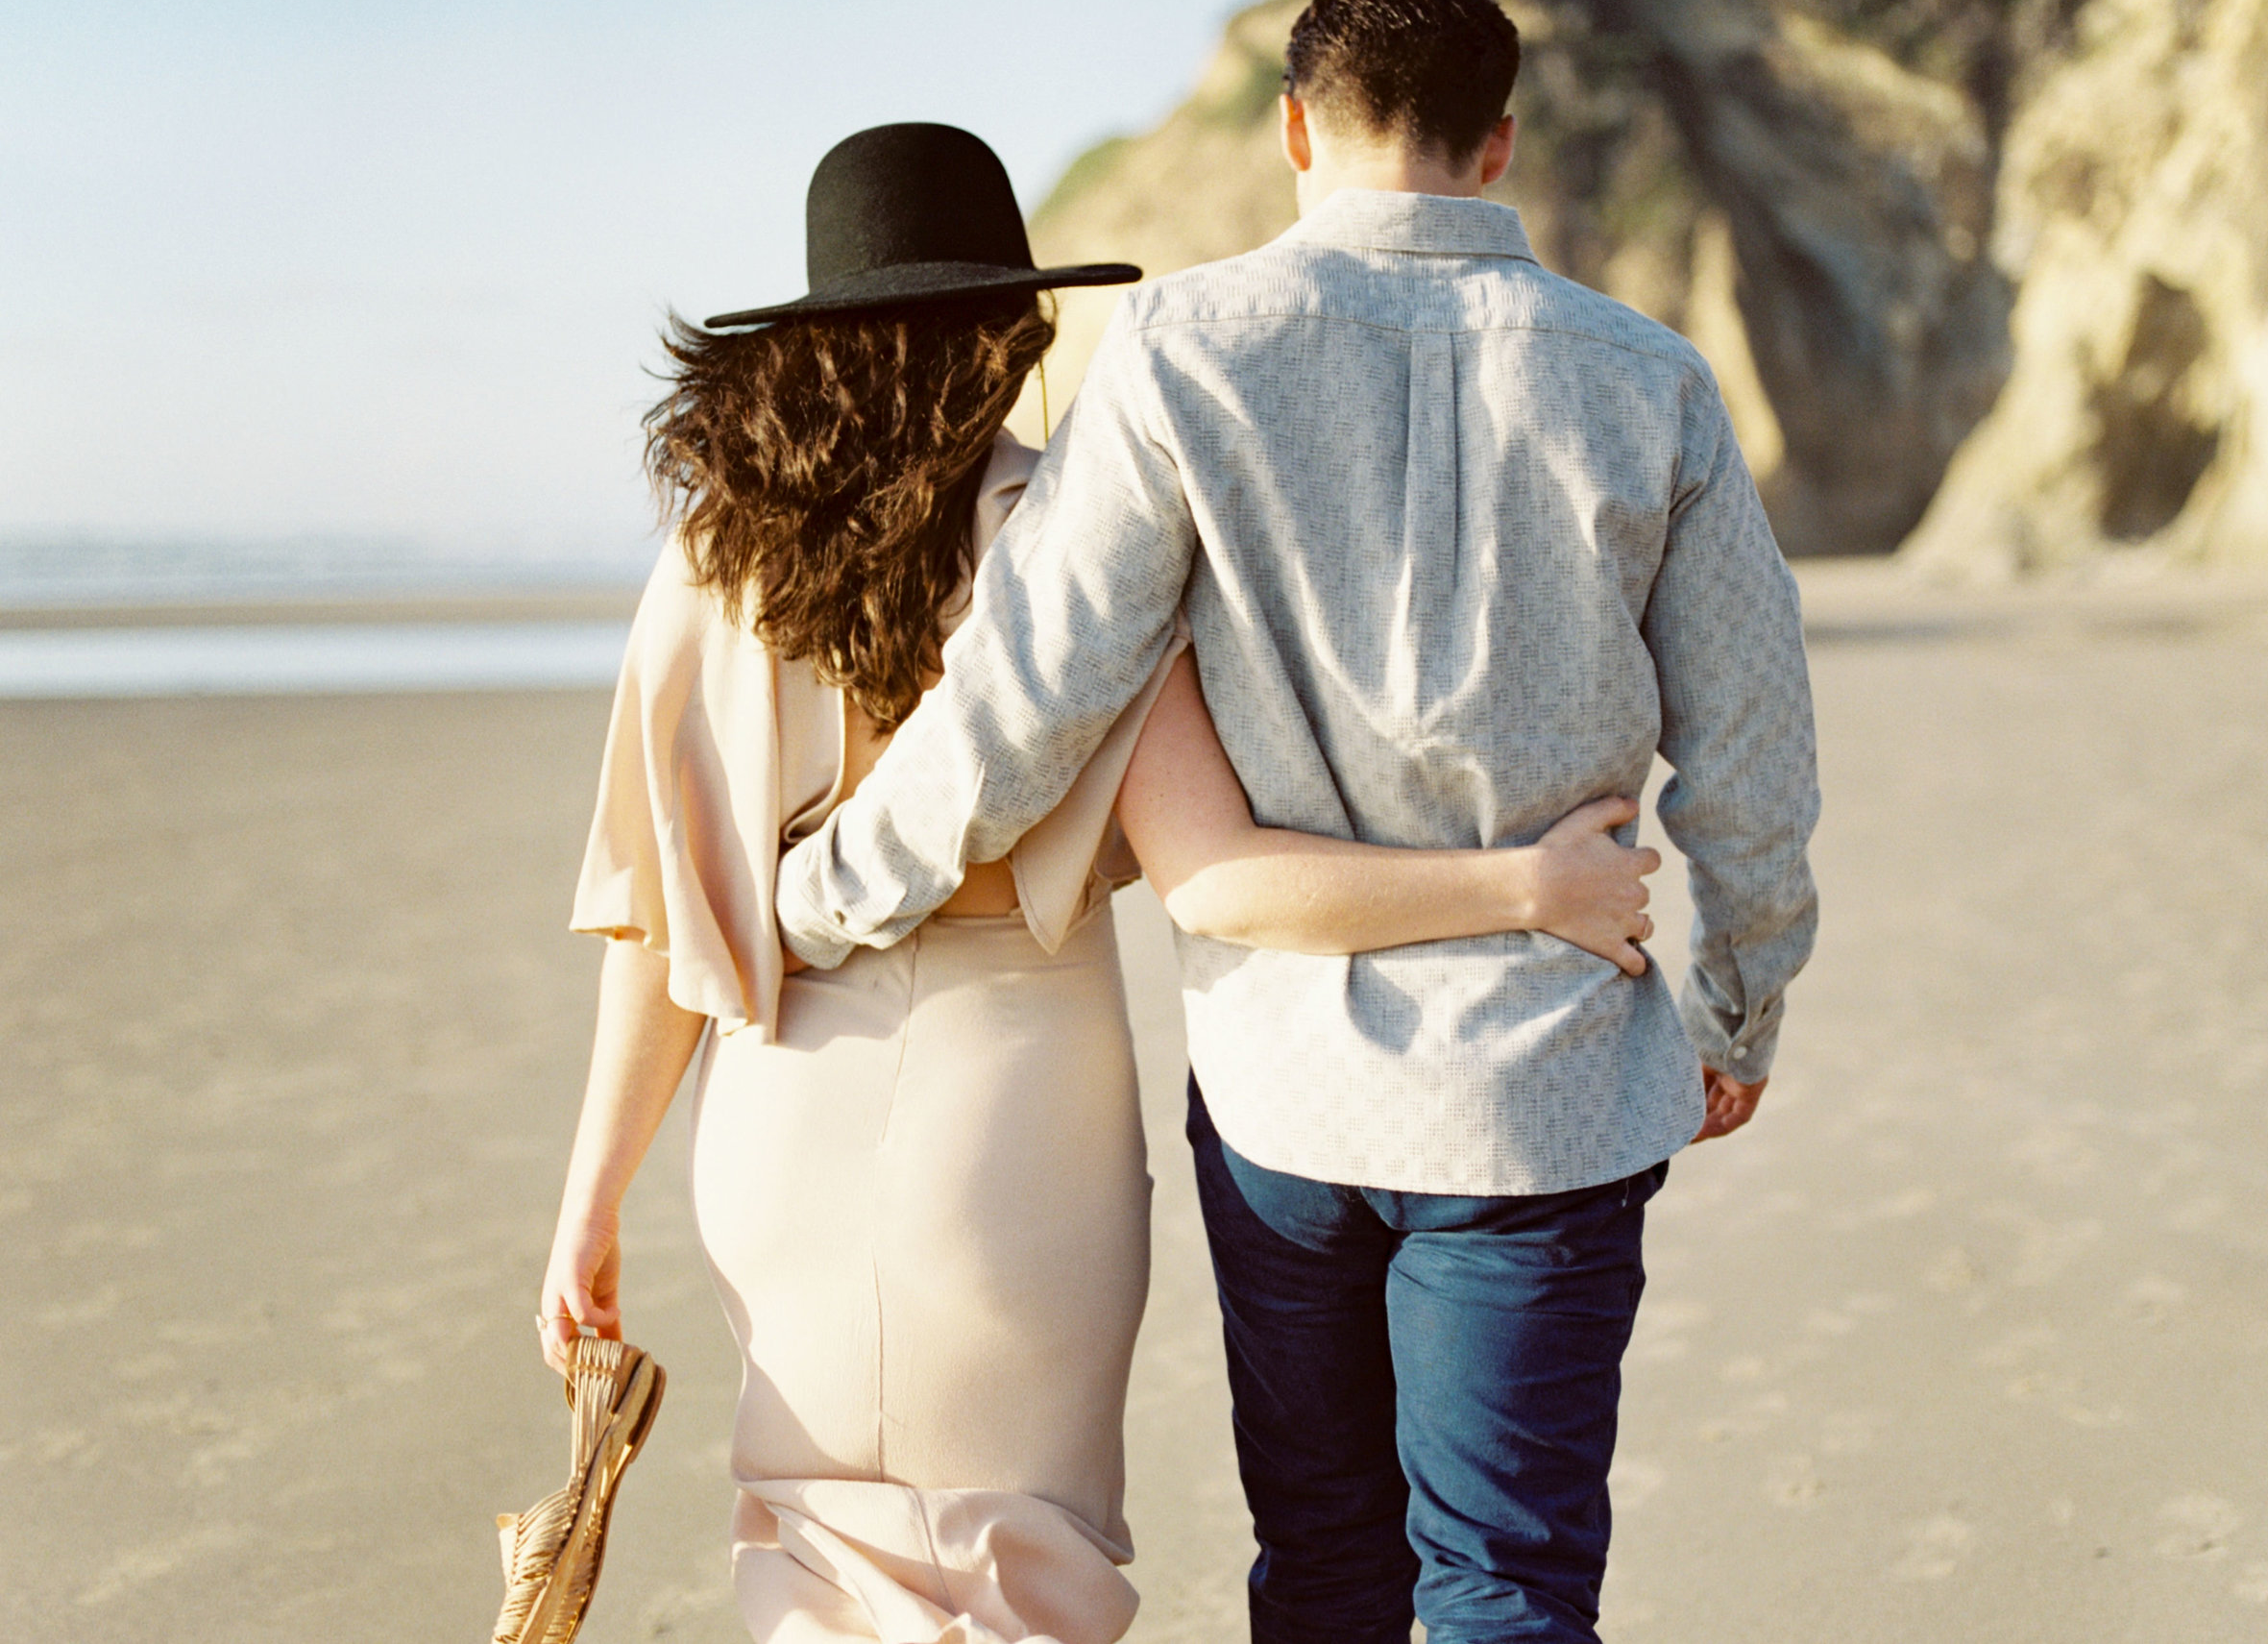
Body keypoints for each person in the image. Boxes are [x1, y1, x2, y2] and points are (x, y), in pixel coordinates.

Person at [773, 0, 1821, 1644]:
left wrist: (831, 891)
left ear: (1289, 130)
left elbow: (1031, 685)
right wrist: (1743, 1000)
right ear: (1498, 144)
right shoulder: (1651, 380)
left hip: (1281, 1094)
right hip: (1542, 1089)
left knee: (1326, 1570)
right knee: (1511, 1583)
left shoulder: (1186, 344)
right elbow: (1754, 747)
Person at [535, 122, 1668, 1644]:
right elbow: (1217, 875)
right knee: (1015, 1568)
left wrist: (588, 1200)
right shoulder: (1070, 543)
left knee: (805, 1564)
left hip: (772, 1111)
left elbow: (658, 916)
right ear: (1006, 328)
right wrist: (1523, 883)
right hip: (1016, 1115)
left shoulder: (714, 561)